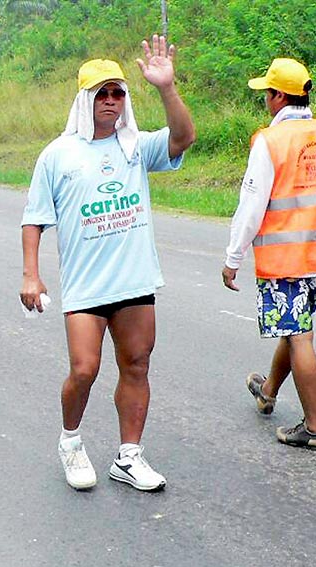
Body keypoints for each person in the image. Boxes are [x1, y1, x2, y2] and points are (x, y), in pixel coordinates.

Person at [19, 35, 195, 491]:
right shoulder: (58, 155)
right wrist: (31, 274)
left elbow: (183, 138)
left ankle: (128, 455)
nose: (112, 101)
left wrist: (167, 89)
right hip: (86, 287)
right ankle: (71, 442)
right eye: (103, 93)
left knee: (136, 365)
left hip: (135, 282)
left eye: (118, 93)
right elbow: (34, 219)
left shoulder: (135, 146)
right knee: (84, 369)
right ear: (85, 100)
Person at [221, 58, 316, 451]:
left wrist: (232, 257)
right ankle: (268, 391)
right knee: (295, 327)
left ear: (278, 97)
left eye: (266, 93)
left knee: (299, 335)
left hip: (284, 261)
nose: (265, 100)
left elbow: (252, 205)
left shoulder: (270, 141)